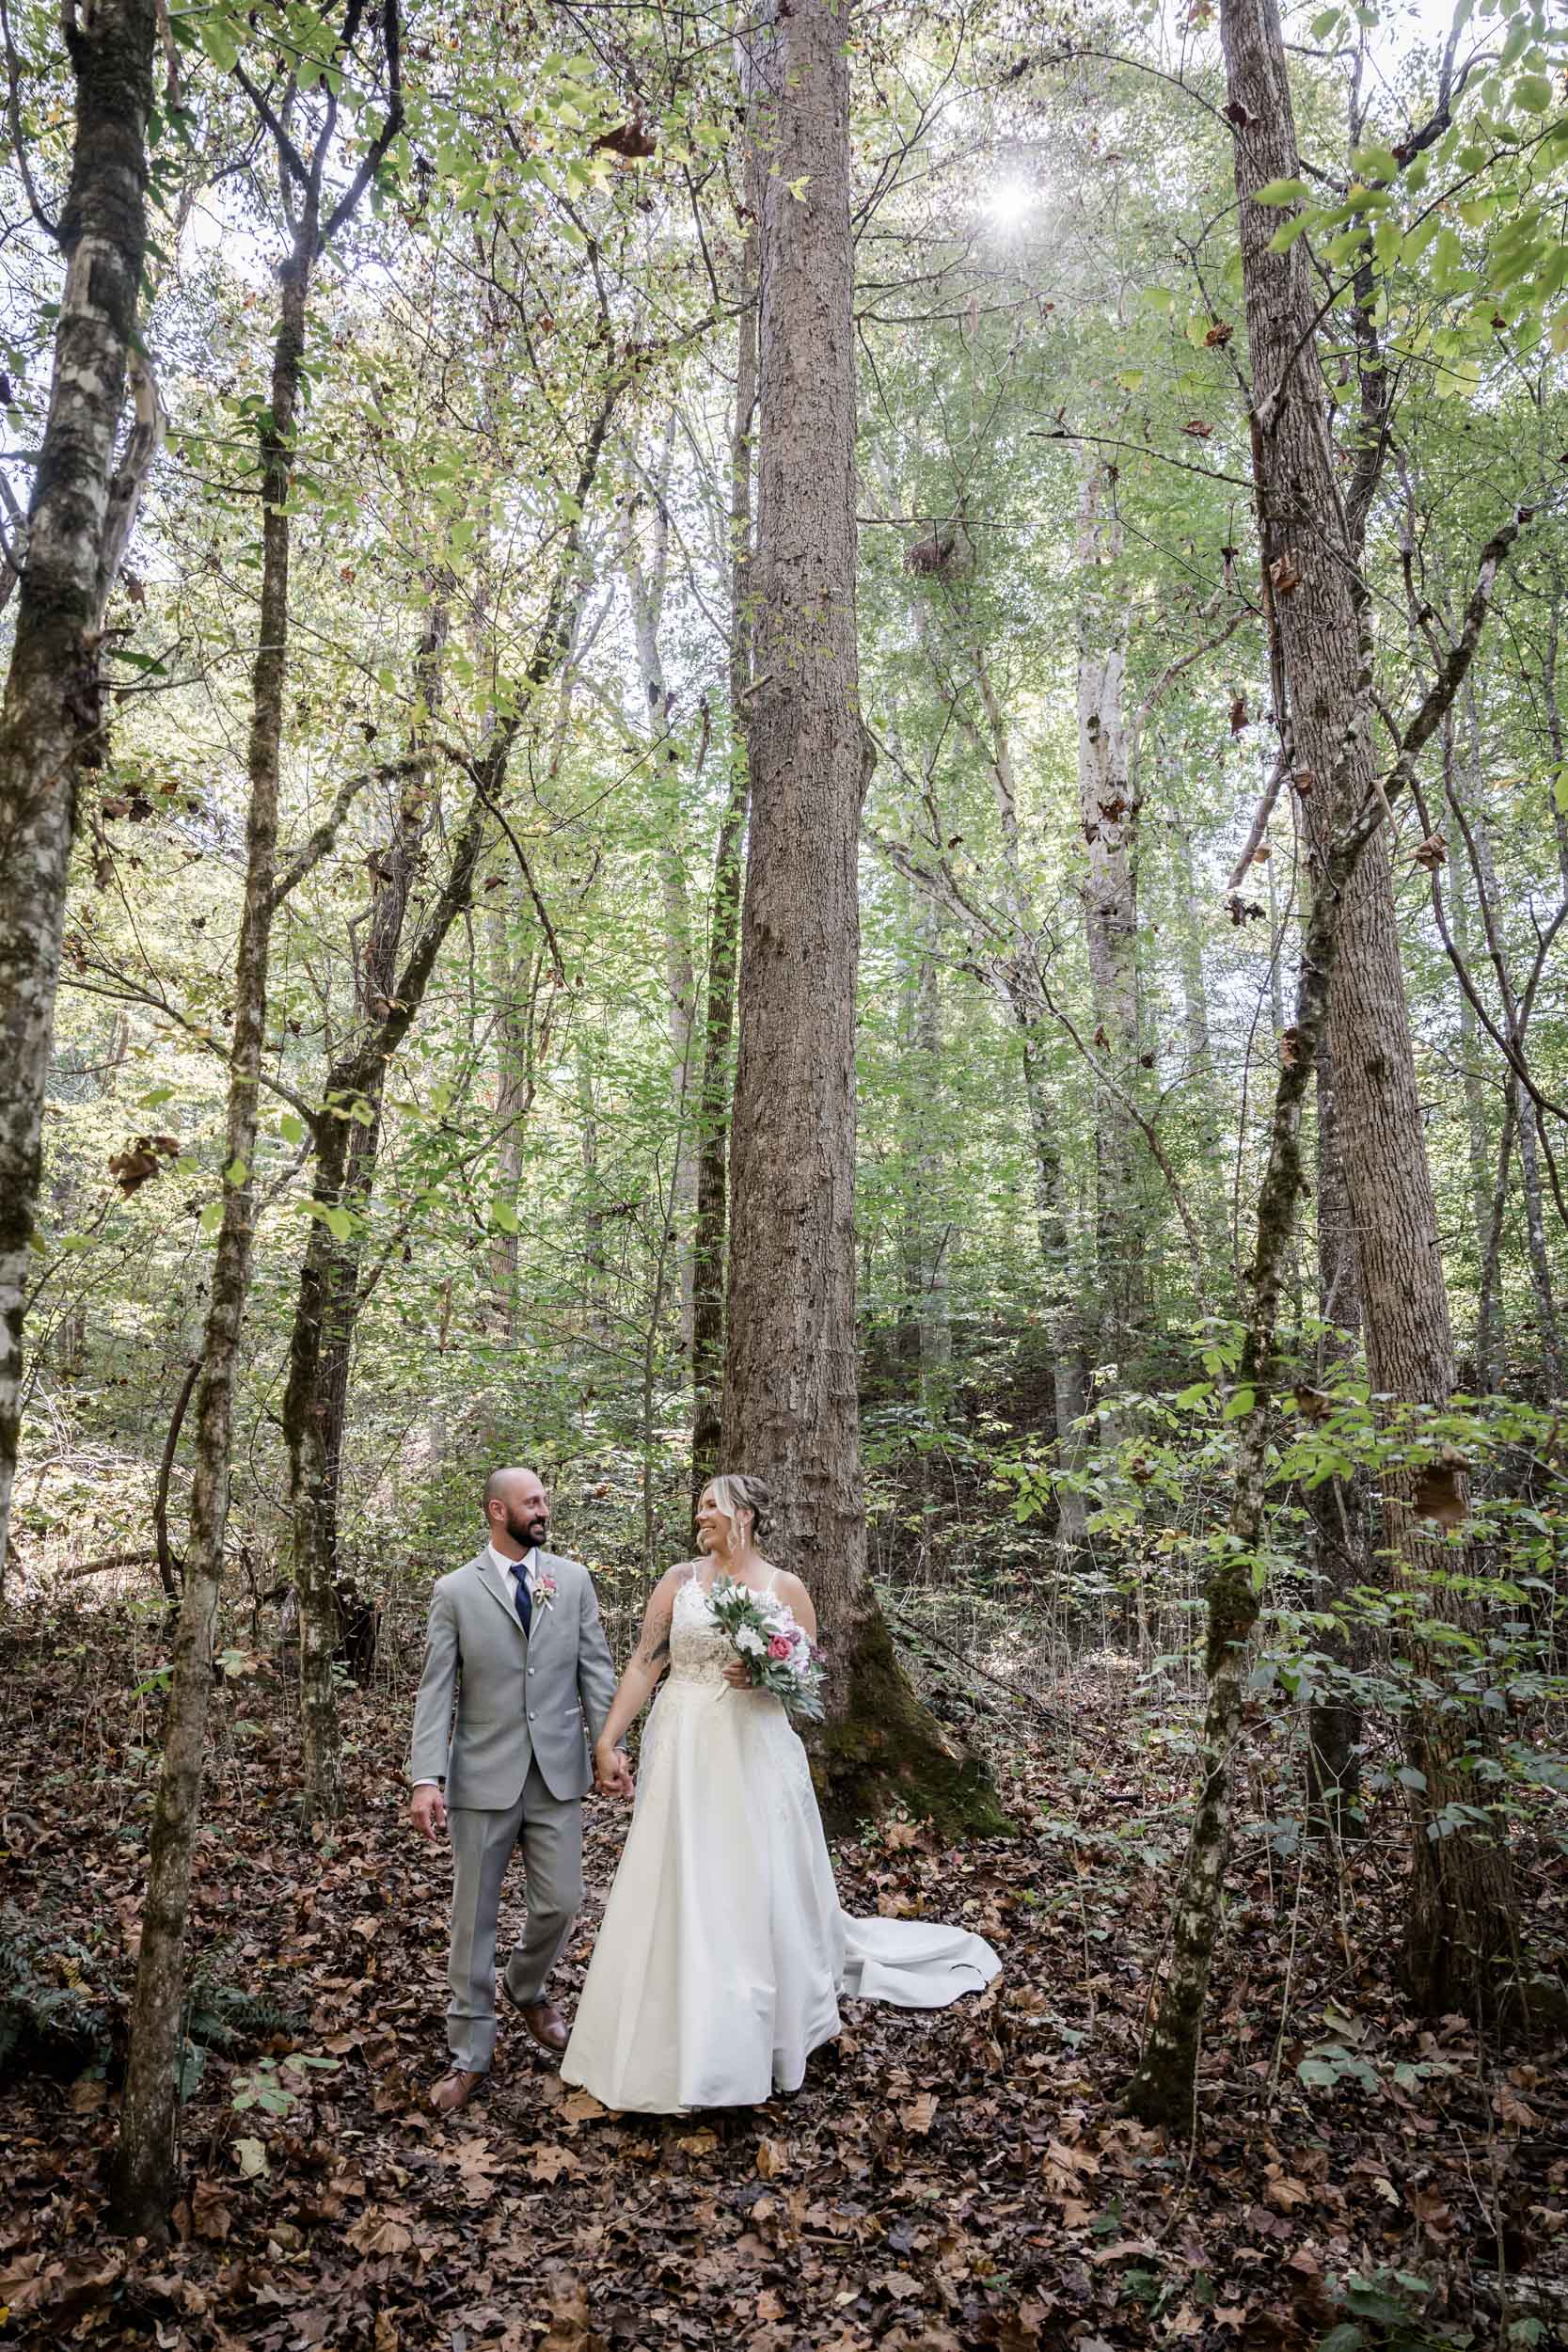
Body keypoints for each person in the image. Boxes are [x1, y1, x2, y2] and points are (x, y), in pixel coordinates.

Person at [560, 1473, 1000, 2114]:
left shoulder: (782, 1587)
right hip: (682, 1741)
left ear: (745, 1515)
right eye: (700, 1504)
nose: (699, 1514)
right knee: (674, 1874)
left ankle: (751, 2030)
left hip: (751, 1749)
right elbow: (644, 1664)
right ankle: (660, 2023)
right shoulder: (679, 1581)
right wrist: (606, 1742)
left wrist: (764, 1674)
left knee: (746, 1878)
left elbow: (808, 1675)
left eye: (711, 1504)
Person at [408, 1466, 632, 2114]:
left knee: (563, 1901)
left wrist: (607, 1745)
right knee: (471, 1920)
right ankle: (469, 2054)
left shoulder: (574, 1581)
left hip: (558, 1772)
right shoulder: (455, 1591)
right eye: (531, 1501)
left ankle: (526, 1985)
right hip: (481, 1775)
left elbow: (596, 1668)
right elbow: (435, 1689)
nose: (544, 1509)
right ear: (496, 1511)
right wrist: (428, 1777)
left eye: (544, 1499)